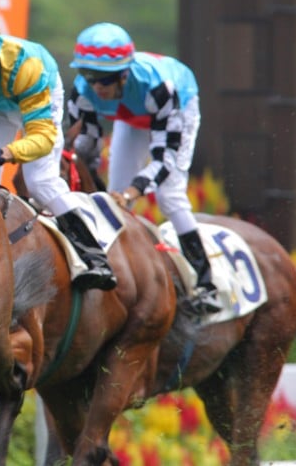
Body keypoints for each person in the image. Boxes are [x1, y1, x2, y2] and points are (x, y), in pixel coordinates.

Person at [0, 4, 116, 291]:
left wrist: (3, 154)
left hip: (35, 99)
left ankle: (94, 257)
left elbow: (42, 139)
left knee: (40, 180)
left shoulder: (27, 68)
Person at [67, 21, 222, 315]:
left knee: (169, 195)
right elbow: (85, 154)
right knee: (113, 193)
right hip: (131, 115)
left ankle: (206, 283)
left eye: (104, 79)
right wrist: (105, 193)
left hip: (176, 103)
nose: (96, 86)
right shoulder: (82, 91)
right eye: (88, 75)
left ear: (124, 74)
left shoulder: (161, 88)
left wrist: (132, 193)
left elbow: (165, 160)